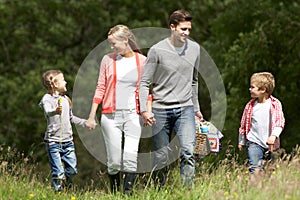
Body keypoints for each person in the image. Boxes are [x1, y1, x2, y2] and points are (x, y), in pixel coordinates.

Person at [139, 10, 203, 188]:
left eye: (189, 29)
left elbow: (194, 81)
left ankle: (187, 192)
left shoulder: (195, 49)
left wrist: (196, 109)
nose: (187, 33)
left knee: (189, 152)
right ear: (172, 27)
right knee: (161, 156)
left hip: (185, 109)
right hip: (160, 110)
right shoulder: (157, 50)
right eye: (183, 29)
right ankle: (160, 191)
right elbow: (144, 82)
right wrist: (145, 110)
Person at [85, 25, 147, 195]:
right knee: (114, 162)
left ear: (125, 40)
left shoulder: (141, 61)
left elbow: (147, 90)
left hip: (133, 115)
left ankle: (127, 194)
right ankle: (113, 194)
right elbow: (100, 87)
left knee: (130, 158)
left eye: (114, 44)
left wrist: (147, 111)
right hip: (110, 116)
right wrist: (92, 116)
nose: (111, 47)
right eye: (110, 44)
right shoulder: (108, 60)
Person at [39, 69, 90, 191]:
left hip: (68, 142)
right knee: (58, 172)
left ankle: (67, 186)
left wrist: (84, 122)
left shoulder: (66, 99)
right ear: (55, 84)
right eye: (63, 80)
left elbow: (71, 117)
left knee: (72, 170)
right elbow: (47, 112)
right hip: (53, 142)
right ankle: (58, 194)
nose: (66, 82)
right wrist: (55, 111)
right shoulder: (47, 99)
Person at [238, 72, 285, 180]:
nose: (250, 89)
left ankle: (266, 191)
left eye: (252, 87)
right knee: (255, 168)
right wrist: (241, 141)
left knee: (270, 170)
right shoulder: (250, 106)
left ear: (263, 89)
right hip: (254, 142)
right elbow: (243, 124)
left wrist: (273, 136)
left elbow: (279, 122)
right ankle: (254, 189)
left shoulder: (274, 104)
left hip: (271, 145)